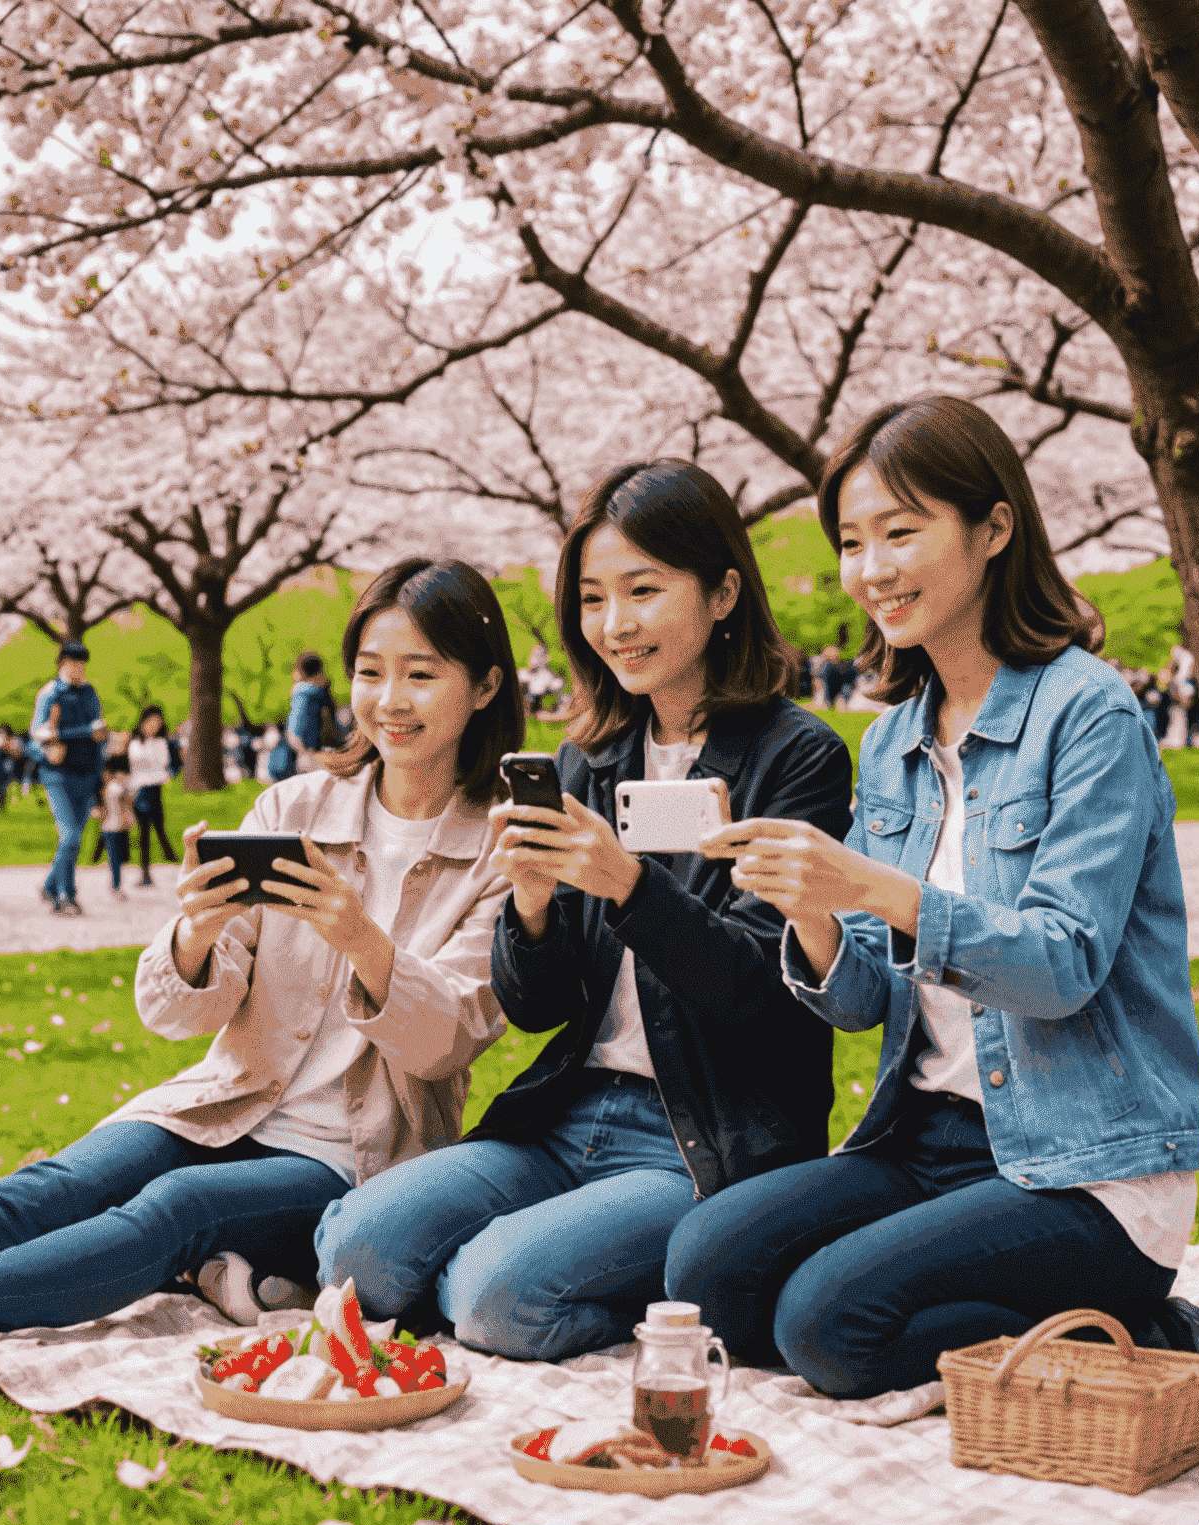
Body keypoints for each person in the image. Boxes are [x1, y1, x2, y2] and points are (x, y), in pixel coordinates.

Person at [663, 395, 1199, 1398]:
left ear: (994, 528)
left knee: (830, 1328)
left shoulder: (1088, 712)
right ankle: (1086, 1323)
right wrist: (814, 910)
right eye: (852, 540)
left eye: (901, 531)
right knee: (706, 1270)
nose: (872, 568)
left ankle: (1132, 1322)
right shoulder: (892, 742)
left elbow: (1063, 967)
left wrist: (879, 883)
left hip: (1084, 1164)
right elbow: (869, 999)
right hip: (925, 1139)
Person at [0, 557, 525, 1357]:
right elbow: (173, 1014)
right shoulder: (296, 806)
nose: (389, 701)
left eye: (420, 674)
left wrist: (360, 938)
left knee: (177, 1206)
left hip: (358, 1157)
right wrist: (197, 934)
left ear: (484, 687)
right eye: (370, 672)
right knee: (65, 1182)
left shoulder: (502, 845)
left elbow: (448, 1038)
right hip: (231, 1099)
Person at [315, 459, 855, 1363]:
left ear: (723, 592)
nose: (616, 625)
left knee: (493, 1298)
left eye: (643, 591)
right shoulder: (591, 759)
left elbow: (767, 992)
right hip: (568, 1110)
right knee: (354, 1247)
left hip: (703, 1138)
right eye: (595, 598)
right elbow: (537, 1007)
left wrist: (633, 889)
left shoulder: (797, 759)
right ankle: (521, 1264)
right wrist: (529, 914)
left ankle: (672, 1297)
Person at [28, 640, 109, 916]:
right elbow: (36, 739)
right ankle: (67, 896)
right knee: (70, 838)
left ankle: (50, 886)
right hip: (58, 775)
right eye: (74, 662)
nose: (79, 668)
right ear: (62, 664)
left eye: (82, 663)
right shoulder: (50, 694)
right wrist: (52, 748)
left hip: (86, 774)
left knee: (73, 840)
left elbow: (98, 741)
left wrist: (100, 784)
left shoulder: (90, 694)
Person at [129, 705, 181, 886]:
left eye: (157, 723)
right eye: (151, 722)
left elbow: (170, 766)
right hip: (137, 790)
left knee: (157, 827)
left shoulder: (163, 743)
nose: (154, 726)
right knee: (145, 830)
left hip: (154, 789)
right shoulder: (134, 742)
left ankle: (165, 862)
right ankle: (147, 870)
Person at [98, 751, 133, 901]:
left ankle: (115, 885)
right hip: (116, 827)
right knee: (117, 859)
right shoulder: (116, 786)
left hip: (110, 827)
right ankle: (116, 886)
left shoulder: (110, 787)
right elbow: (126, 803)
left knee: (116, 859)